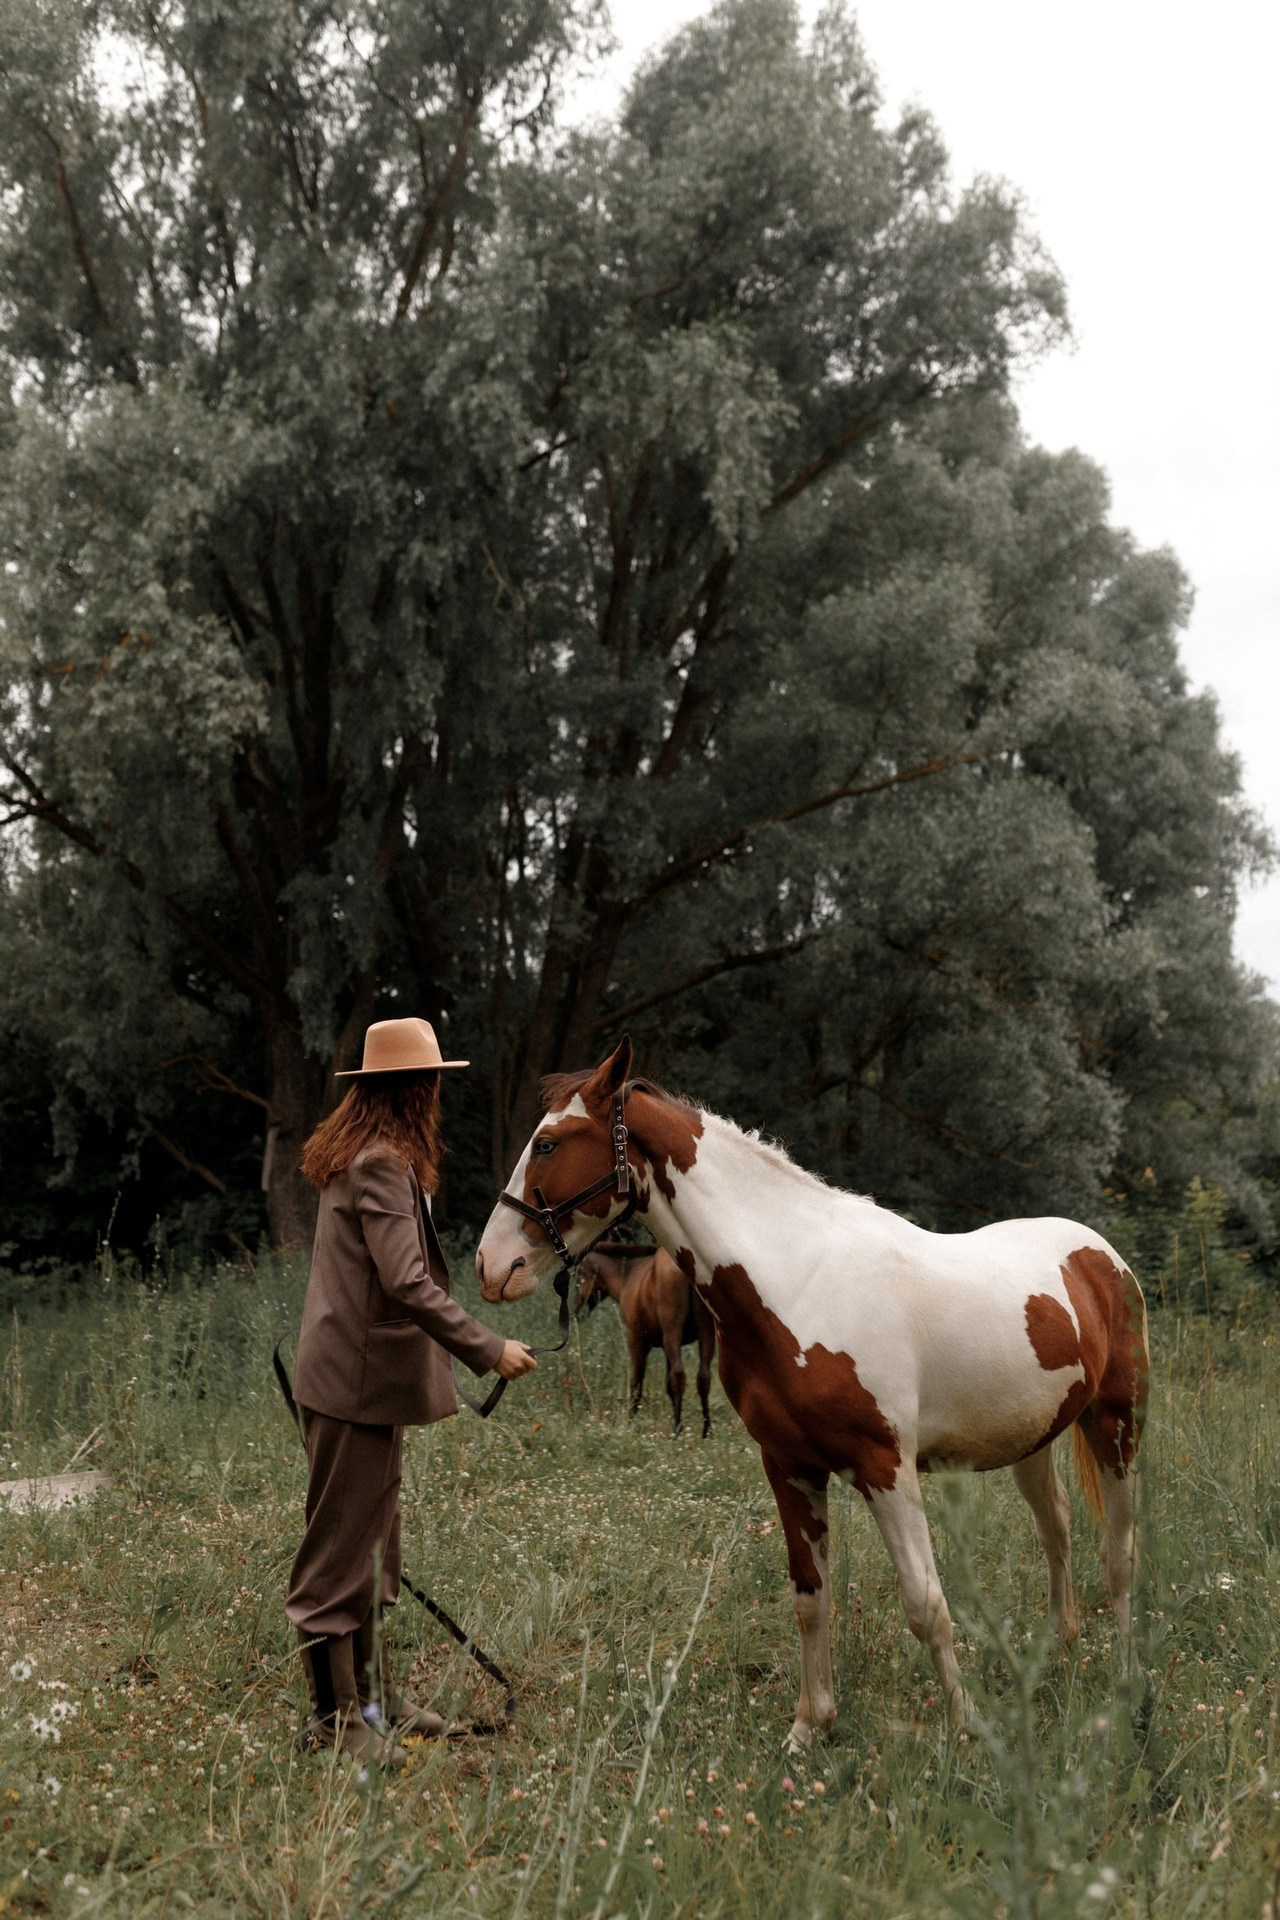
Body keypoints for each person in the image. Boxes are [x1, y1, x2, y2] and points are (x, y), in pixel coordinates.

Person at [285, 1017, 535, 1766]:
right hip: (352, 1385)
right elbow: (407, 1282)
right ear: (413, 1090)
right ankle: (336, 1725)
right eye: (431, 1083)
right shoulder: (380, 1165)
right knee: (339, 1552)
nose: (435, 1096)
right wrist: (487, 1348)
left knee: (371, 1546)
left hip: (364, 1382)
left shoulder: (366, 1155)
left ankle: (374, 1702)